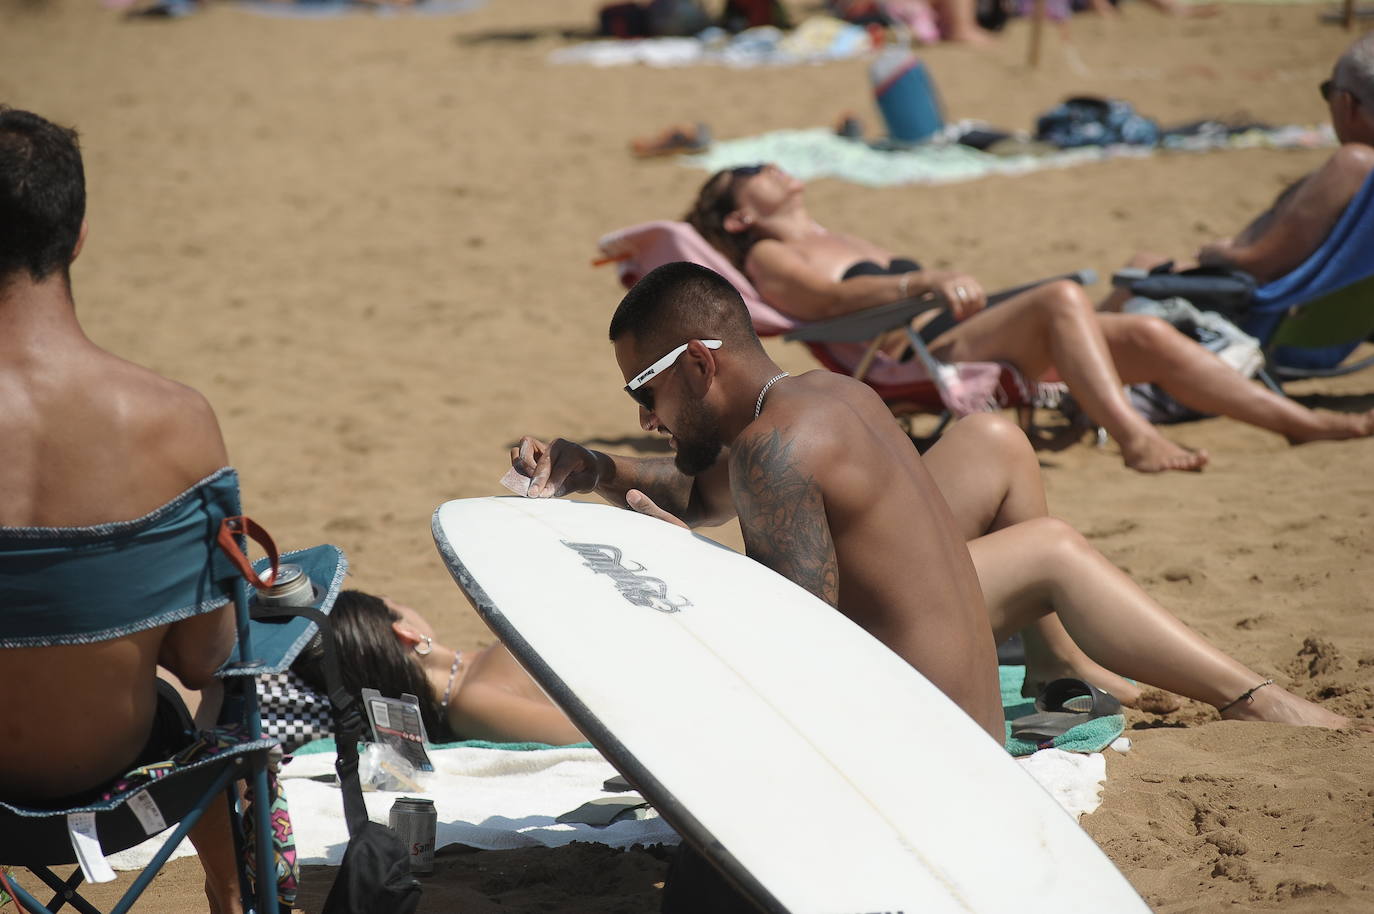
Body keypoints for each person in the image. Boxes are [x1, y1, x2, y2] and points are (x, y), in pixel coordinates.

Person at [509, 262, 1366, 736]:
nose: (645, 420)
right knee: (995, 440)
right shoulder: (821, 398)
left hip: (934, 744)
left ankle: (1221, 693)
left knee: (1044, 539)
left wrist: (680, 558)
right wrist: (588, 466)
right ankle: (1062, 660)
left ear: (700, 364)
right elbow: (697, 492)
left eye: (644, 394)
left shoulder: (774, 454)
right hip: (952, 693)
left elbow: (791, 655)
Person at [685, 164, 1374, 473]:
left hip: (936, 331)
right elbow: (828, 306)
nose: (771, 167)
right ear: (742, 216)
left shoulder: (830, 233)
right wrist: (922, 280)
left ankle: (1302, 425)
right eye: (752, 171)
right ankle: (1132, 436)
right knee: (1059, 299)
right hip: (909, 349)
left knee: (1143, 332)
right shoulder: (773, 253)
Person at [0, 108, 243, 913]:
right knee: (206, 710)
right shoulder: (175, 421)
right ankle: (234, 898)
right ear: (77, 237)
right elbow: (209, 658)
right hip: (120, 776)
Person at [1108, 34, 1374, 295]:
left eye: (1328, 91)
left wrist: (1219, 255)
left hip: (1254, 308)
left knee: (1135, 270)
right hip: (1308, 310)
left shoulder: (1354, 165)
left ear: (1347, 104)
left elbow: (1262, 265)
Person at [264, 590, 582, 751]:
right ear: (406, 633)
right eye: (395, 602)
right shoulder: (473, 704)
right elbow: (602, 740)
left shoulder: (477, 673)